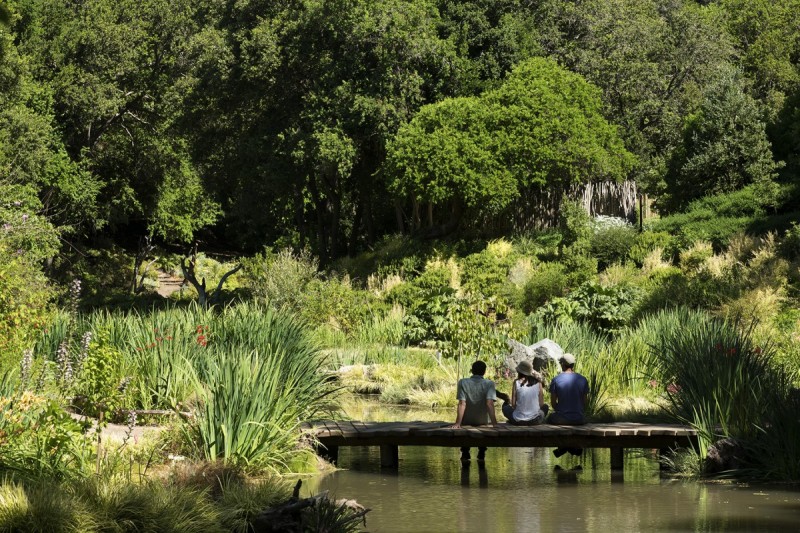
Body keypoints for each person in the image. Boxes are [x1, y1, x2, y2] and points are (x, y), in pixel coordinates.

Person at [451, 360, 498, 463]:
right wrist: (495, 424)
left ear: (472, 371)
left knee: (464, 426)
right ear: (484, 372)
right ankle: (482, 451)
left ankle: (465, 451)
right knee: (485, 427)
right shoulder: (489, 383)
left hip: (466, 420)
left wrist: (458, 423)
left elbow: (462, 403)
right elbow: (489, 404)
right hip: (483, 421)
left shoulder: (463, 382)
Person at [547, 353, 589, 457]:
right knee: (581, 419)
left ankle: (564, 447)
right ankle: (572, 447)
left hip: (561, 419)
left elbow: (553, 403)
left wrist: (561, 410)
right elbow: (585, 403)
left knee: (550, 419)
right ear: (573, 365)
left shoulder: (556, 380)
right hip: (579, 419)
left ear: (563, 364)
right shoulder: (583, 379)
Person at [498, 360, 548, 425]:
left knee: (505, 407)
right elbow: (541, 404)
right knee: (545, 407)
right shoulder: (539, 383)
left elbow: (513, 405)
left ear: (519, 372)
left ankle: (512, 420)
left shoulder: (516, 382)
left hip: (518, 421)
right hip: (535, 420)